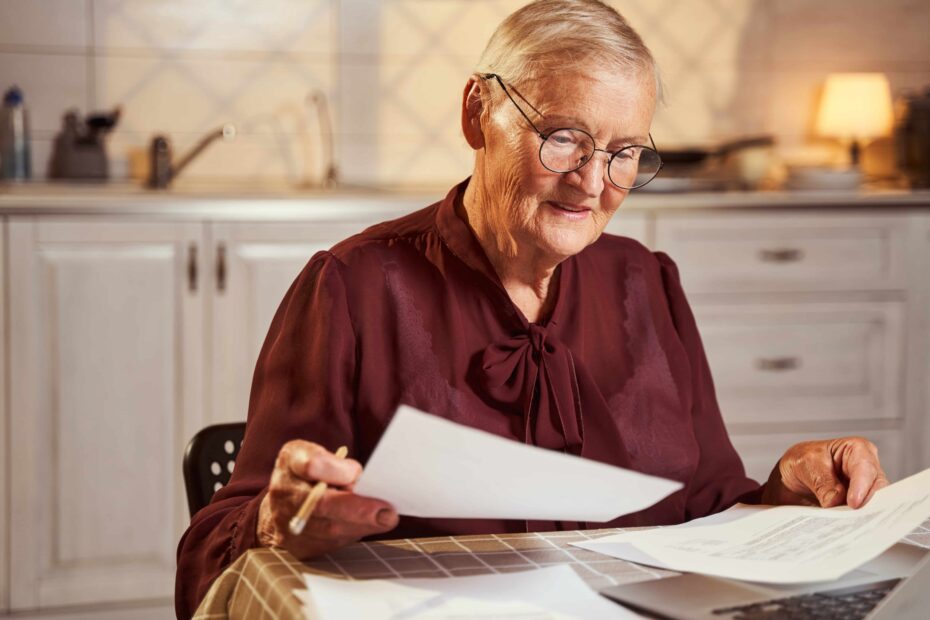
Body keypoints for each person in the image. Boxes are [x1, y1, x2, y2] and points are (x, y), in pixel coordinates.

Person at [175, 1, 889, 617]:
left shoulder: (647, 282)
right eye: (564, 137)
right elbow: (215, 555)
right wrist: (276, 523)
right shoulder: (353, 287)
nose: (591, 182)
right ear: (477, 113)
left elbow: (707, 509)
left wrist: (785, 491)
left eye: (624, 152)